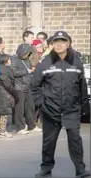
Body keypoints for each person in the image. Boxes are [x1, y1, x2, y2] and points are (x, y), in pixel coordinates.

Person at [31, 31, 90, 178]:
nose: (59, 44)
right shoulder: (45, 63)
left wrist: (85, 108)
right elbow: (34, 86)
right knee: (48, 142)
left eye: (62, 41)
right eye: (56, 42)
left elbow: (82, 86)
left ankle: (80, 170)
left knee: (75, 141)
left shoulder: (76, 62)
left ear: (68, 44)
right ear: (52, 45)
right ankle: (46, 169)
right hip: (51, 110)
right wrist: (41, 104)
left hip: (71, 110)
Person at [10, 44, 41, 134]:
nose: (26, 55)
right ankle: (20, 127)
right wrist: (28, 71)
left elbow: (31, 69)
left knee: (30, 107)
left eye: (28, 54)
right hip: (19, 87)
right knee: (20, 108)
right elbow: (13, 72)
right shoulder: (13, 59)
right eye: (26, 53)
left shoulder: (27, 60)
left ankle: (32, 125)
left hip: (28, 86)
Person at [0, 54, 18, 138]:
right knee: (4, 113)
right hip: (4, 93)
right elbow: (6, 83)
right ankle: (2, 130)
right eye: (9, 59)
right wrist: (14, 91)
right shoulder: (5, 69)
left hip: (0, 92)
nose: (10, 61)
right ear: (6, 60)